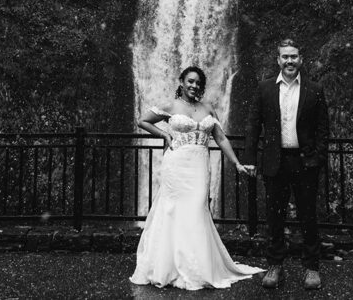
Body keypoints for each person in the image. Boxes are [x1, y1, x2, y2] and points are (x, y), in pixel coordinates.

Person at [129, 66, 264, 290]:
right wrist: (164, 134)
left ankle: (197, 266)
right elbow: (142, 121)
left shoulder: (208, 108)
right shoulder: (170, 105)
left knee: (197, 209)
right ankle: (172, 266)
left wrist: (237, 163)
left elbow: (220, 139)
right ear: (181, 82)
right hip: (177, 164)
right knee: (173, 211)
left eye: (198, 83)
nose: (194, 86)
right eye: (190, 81)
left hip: (200, 166)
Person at [244, 39, 330, 291]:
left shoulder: (315, 89)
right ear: (278, 60)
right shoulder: (265, 88)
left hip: (304, 161)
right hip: (275, 161)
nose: (289, 61)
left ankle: (312, 267)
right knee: (274, 216)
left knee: (308, 216)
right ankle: (275, 265)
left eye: (294, 56)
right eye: (285, 57)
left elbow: (323, 129)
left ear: (301, 59)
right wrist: (250, 159)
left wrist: (317, 158)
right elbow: (253, 125)